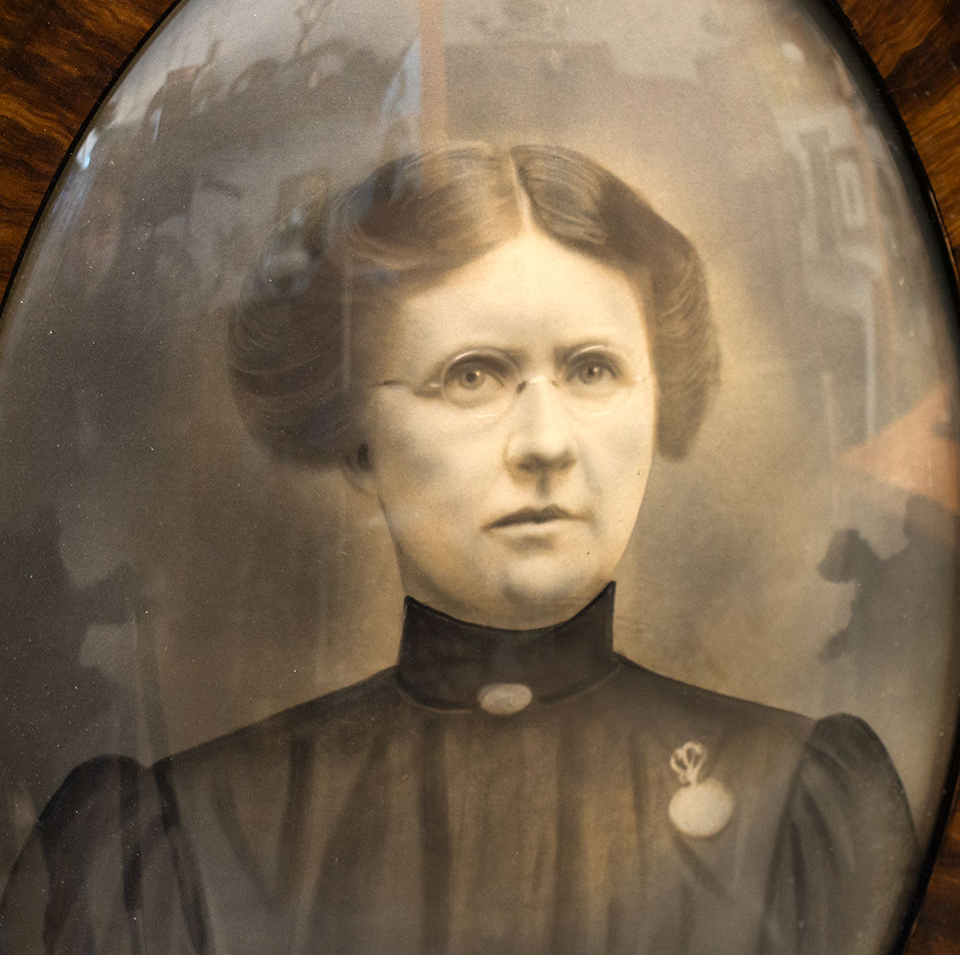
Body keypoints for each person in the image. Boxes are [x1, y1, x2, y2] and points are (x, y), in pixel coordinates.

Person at [0, 143, 917, 954]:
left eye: (592, 370)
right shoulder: (189, 840)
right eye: (472, 376)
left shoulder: (799, 807)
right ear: (359, 442)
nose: (546, 444)